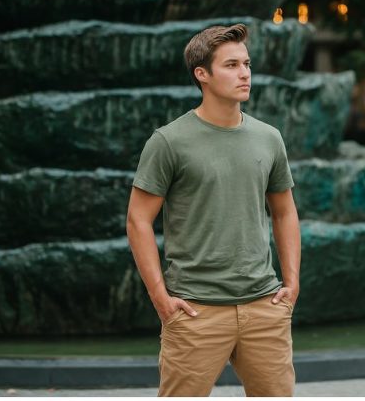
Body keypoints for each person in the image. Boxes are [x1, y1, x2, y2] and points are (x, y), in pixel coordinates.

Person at [127, 23, 300, 398]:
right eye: (232, 65)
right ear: (202, 75)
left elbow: (285, 212)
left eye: (247, 64)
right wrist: (161, 299)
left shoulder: (269, 137)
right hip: (195, 310)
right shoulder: (168, 142)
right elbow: (138, 220)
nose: (245, 74)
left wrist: (292, 283)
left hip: (264, 306)